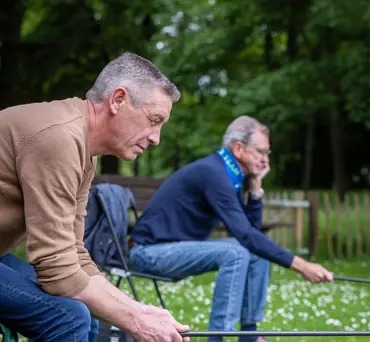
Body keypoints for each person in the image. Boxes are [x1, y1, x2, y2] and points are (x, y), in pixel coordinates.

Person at [0, 52, 190, 342]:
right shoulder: (58, 137)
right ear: (117, 100)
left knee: (83, 314)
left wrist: (138, 309)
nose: (156, 138)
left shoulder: (83, 151)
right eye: (154, 120)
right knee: (68, 317)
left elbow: (73, 254)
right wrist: (135, 320)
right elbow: (55, 268)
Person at [129, 116, 334, 342]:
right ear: (238, 148)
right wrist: (302, 265)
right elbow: (246, 236)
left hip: (174, 249)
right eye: (261, 152)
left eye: (268, 154)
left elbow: (251, 233)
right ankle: (218, 338)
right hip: (148, 252)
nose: (265, 160)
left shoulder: (227, 172)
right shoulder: (213, 173)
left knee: (255, 252)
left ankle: (249, 334)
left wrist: (256, 187)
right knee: (236, 252)